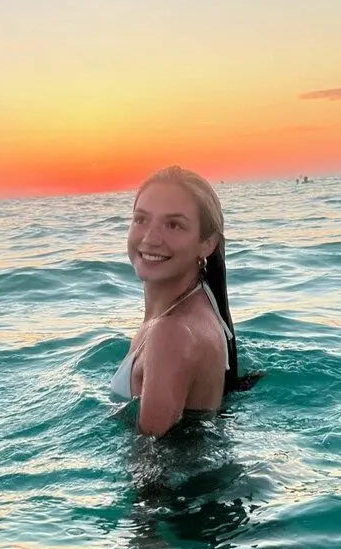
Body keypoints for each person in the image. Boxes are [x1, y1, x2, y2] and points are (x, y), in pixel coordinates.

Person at [110, 166, 262, 436]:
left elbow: (151, 458)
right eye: (141, 219)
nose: (150, 238)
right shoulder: (201, 307)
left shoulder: (171, 333)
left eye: (173, 225)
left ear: (208, 243)